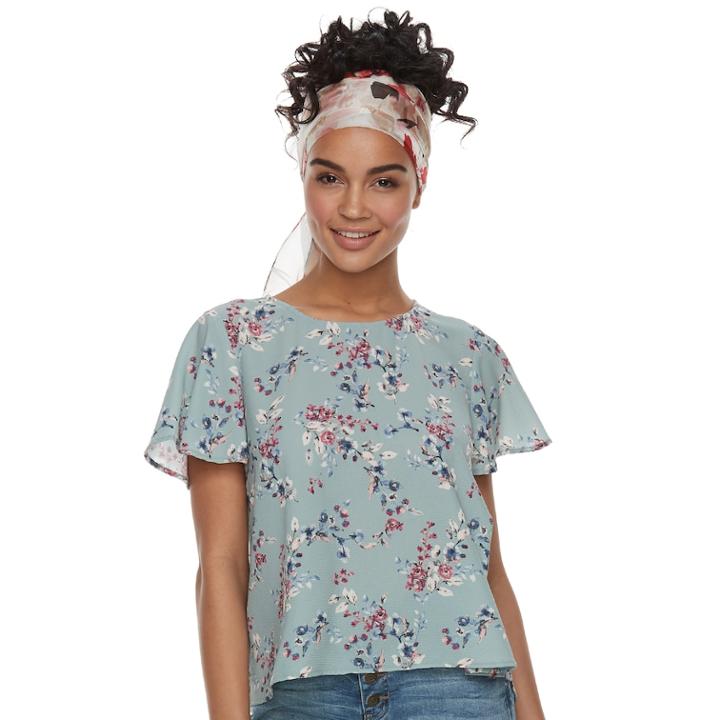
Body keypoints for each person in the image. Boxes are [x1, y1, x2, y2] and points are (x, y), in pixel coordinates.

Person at [144, 10, 552, 720]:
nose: (354, 207)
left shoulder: (467, 355)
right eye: (330, 177)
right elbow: (221, 568)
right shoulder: (233, 341)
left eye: (384, 181)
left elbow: (487, 567)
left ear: (419, 183)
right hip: (302, 695)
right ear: (303, 176)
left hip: (459, 691)